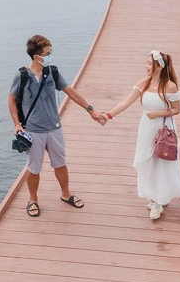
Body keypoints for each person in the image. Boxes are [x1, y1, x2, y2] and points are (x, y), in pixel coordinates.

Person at [8, 34, 106, 217]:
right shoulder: (21, 76)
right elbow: (12, 100)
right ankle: (33, 200)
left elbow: (70, 91)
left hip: (54, 128)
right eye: (48, 52)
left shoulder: (52, 72)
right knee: (33, 168)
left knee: (60, 163)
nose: (51, 55)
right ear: (37, 56)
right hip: (33, 130)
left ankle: (66, 194)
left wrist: (90, 110)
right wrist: (17, 124)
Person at [104, 50, 180, 220]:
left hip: (163, 126)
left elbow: (177, 109)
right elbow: (126, 102)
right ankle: (154, 199)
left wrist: (159, 113)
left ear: (159, 67)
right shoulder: (143, 83)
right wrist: (109, 115)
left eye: (149, 63)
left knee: (162, 160)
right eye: (146, 63)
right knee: (148, 160)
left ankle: (160, 197)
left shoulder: (169, 86)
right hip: (146, 127)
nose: (146, 66)